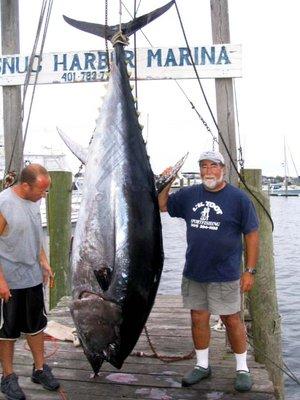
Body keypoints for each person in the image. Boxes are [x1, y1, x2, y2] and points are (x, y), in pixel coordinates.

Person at [158, 150, 259, 393]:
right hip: (195, 271)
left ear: (222, 169)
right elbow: (162, 205)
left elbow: (252, 235)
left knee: (232, 319)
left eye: (213, 166)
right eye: (203, 166)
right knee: (198, 318)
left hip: (225, 273)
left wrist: (250, 271)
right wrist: (167, 181)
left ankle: (242, 368)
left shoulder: (239, 199)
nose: (208, 171)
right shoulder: (190, 194)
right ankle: (203, 365)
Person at [0, 164, 60, 400]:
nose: (43, 196)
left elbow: (35, 236)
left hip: (32, 278)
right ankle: (7, 377)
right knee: (8, 331)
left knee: (36, 326)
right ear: (25, 185)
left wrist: (43, 261)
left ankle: (39, 369)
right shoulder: (4, 204)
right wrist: (1, 282)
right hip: (9, 282)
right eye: (41, 190)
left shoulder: (34, 203)